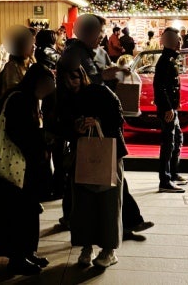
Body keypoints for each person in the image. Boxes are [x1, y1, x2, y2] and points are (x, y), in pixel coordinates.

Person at [58, 14, 153, 238]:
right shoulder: (72, 54)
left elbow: (105, 77)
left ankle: (124, 221)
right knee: (95, 173)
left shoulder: (98, 52)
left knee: (97, 173)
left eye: (102, 31)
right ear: (85, 32)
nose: (102, 35)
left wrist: (117, 73)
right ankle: (123, 222)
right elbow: (73, 85)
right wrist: (103, 75)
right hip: (85, 122)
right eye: (99, 31)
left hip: (103, 121)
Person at [0, 63, 55, 275]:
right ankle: (18, 257)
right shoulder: (20, 99)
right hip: (13, 168)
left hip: (16, 168)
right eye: (48, 83)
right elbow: (20, 134)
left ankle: (27, 252)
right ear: (38, 82)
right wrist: (42, 142)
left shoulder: (26, 97)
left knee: (26, 211)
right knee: (18, 214)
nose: (51, 87)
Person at [58, 64, 126, 268]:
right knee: (82, 206)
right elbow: (61, 126)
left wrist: (97, 122)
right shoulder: (64, 99)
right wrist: (76, 127)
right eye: (67, 79)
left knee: (109, 204)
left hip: (108, 153)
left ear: (82, 76)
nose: (71, 83)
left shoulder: (100, 91)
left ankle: (108, 250)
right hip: (82, 155)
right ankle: (86, 247)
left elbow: (118, 118)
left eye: (75, 78)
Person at [154, 27, 187, 193]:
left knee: (177, 139)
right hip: (167, 109)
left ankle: (173, 174)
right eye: (177, 39)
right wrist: (167, 107)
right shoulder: (165, 61)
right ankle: (165, 179)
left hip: (172, 108)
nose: (180, 41)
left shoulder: (171, 58)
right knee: (168, 143)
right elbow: (160, 86)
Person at [0, 27, 35, 99]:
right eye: (30, 43)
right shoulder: (12, 66)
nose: (33, 47)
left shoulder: (30, 61)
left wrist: (32, 58)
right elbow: (14, 90)